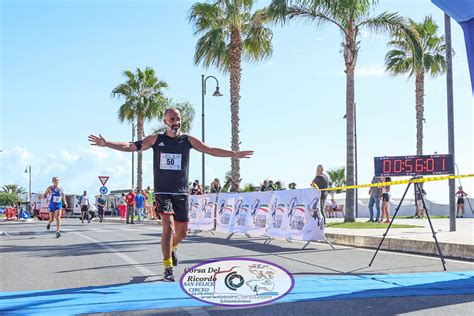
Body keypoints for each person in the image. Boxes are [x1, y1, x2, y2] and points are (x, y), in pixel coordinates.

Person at [88, 108, 253, 282]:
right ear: (166, 121)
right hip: (162, 191)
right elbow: (131, 146)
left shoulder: (187, 140)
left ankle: (172, 247)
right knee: (168, 226)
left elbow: (210, 150)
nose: (176, 122)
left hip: (181, 192)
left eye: (178, 119)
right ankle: (167, 267)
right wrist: (107, 143)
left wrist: (234, 154)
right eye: (172, 119)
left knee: (182, 233)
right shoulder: (156, 139)